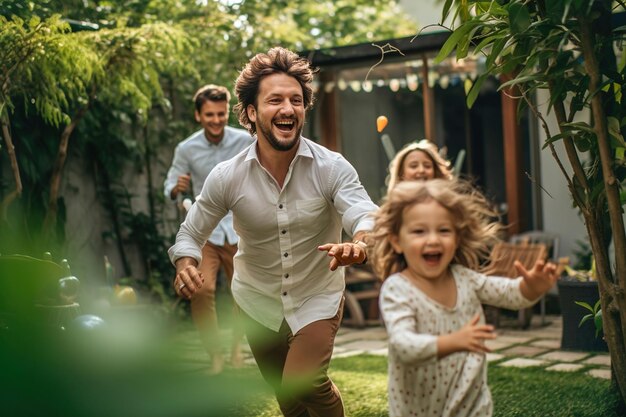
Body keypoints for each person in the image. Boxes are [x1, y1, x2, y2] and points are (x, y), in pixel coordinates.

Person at [168, 47, 378, 417]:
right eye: (275, 100)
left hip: (317, 295)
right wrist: (185, 262)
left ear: (304, 109)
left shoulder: (331, 167)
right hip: (256, 300)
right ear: (251, 112)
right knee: (286, 394)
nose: (287, 108)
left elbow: (364, 214)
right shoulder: (227, 177)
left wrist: (359, 245)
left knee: (305, 380)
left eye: (296, 100)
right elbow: (190, 233)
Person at [370, 179, 557, 417]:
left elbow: (509, 293)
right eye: (419, 231)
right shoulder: (398, 290)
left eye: (444, 230)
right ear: (397, 241)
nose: (433, 239)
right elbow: (403, 345)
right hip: (419, 410)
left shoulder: (466, 279)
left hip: (472, 405)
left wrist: (531, 287)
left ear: (457, 238)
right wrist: (452, 341)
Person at [163, 84, 254, 374]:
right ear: (198, 115)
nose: (216, 120)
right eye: (209, 114)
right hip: (205, 229)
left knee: (245, 291)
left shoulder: (244, 140)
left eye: (221, 114)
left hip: (240, 228)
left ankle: (237, 347)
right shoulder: (186, 148)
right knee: (200, 290)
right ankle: (215, 354)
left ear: (228, 112)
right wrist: (176, 190)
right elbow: (170, 184)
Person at [386, 138, 453, 193]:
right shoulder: (393, 207)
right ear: (401, 174)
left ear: (435, 171)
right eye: (414, 166)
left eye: (427, 166)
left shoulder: (449, 204)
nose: (421, 170)